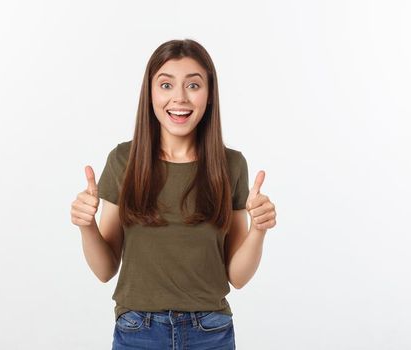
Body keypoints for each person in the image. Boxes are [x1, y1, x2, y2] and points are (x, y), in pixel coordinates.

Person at [70, 39, 278, 350]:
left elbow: (237, 276)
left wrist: (259, 231)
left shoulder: (231, 165)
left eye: (193, 85)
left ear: (209, 96)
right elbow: (105, 269)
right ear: (150, 93)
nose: (179, 97)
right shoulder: (123, 161)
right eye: (166, 85)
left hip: (210, 332)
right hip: (138, 330)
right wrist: (86, 226)